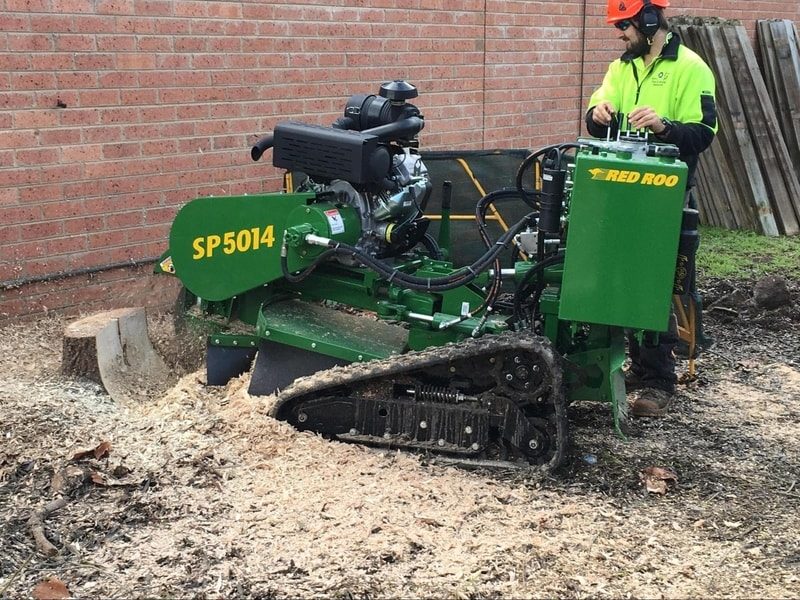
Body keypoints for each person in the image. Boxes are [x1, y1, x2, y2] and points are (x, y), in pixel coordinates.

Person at [585, 0, 718, 417]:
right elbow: (594, 115)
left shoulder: (691, 68)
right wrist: (598, 113)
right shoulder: (621, 68)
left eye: (623, 26)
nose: (620, 35)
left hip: (664, 194)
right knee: (614, 275)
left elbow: (703, 132)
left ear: (647, 20)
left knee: (657, 283)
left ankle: (658, 378)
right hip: (619, 192)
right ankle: (618, 361)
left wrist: (663, 126)